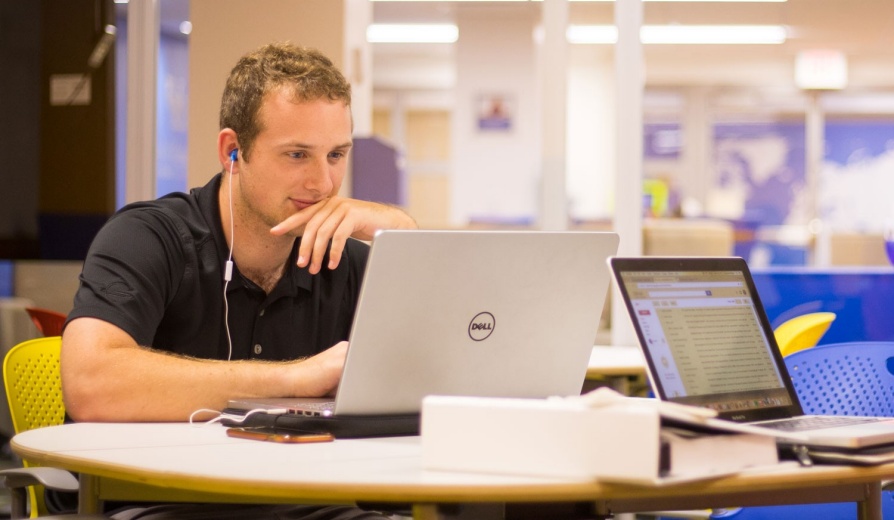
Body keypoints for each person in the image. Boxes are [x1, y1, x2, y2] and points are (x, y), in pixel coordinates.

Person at [60, 42, 416, 519]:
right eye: (296, 154)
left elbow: (454, 365)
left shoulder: (347, 260)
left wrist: (402, 233)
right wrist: (295, 378)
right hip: (159, 504)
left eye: (336, 154)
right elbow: (91, 384)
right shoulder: (148, 237)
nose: (324, 183)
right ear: (233, 150)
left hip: (304, 504)